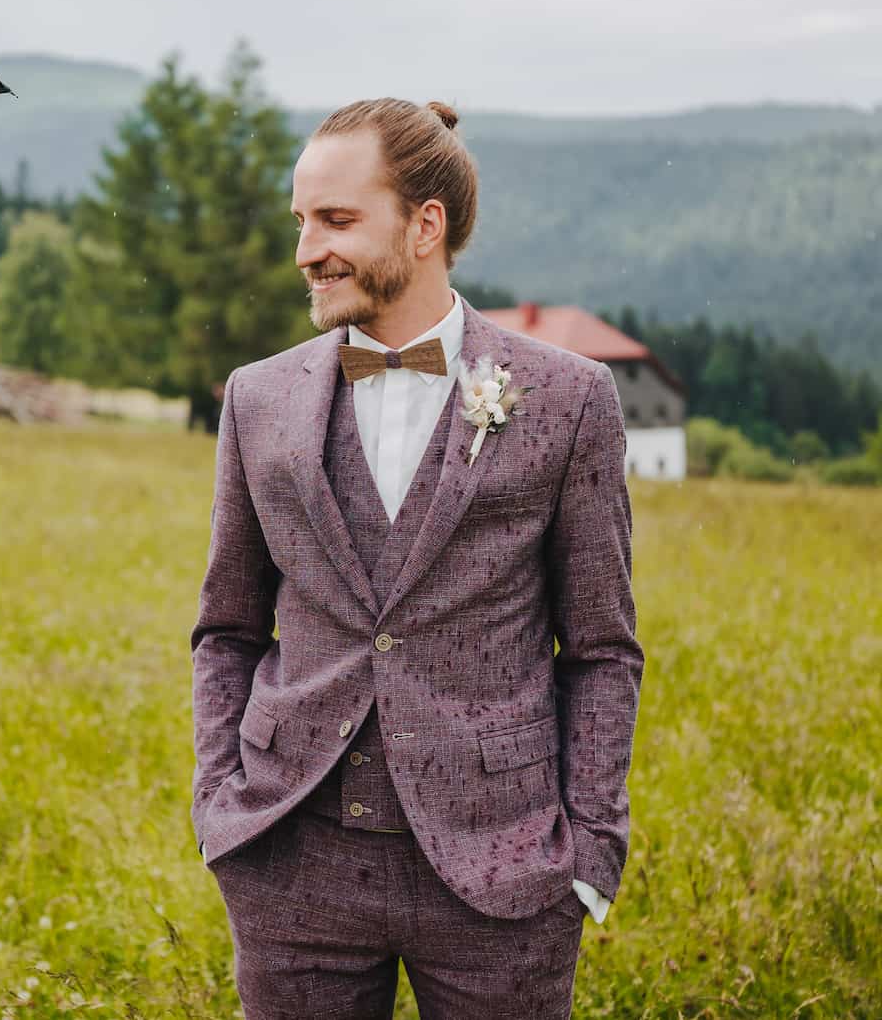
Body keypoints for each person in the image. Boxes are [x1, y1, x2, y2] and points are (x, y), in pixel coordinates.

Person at [190, 99, 643, 1018]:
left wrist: (588, 854)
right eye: (302, 221)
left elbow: (601, 648)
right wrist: (221, 809)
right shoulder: (257, 399)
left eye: (337, 220)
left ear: (425, 224)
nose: (306, 249)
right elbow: (227, 628)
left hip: (505, 875)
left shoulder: (570, 397)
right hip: (290, 856)